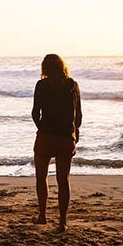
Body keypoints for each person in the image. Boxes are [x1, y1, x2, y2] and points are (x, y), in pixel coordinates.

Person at [31, 53, 82, 233]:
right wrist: (75, 135)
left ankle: (42, 215)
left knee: (41, 177)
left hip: (46, 135)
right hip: (66, 137)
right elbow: (78, 115)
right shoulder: (72, 85)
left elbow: (35, 112)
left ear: (45, 68)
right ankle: (62, 221)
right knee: (63, 179)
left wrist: (41, 128)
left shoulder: (42, 85)